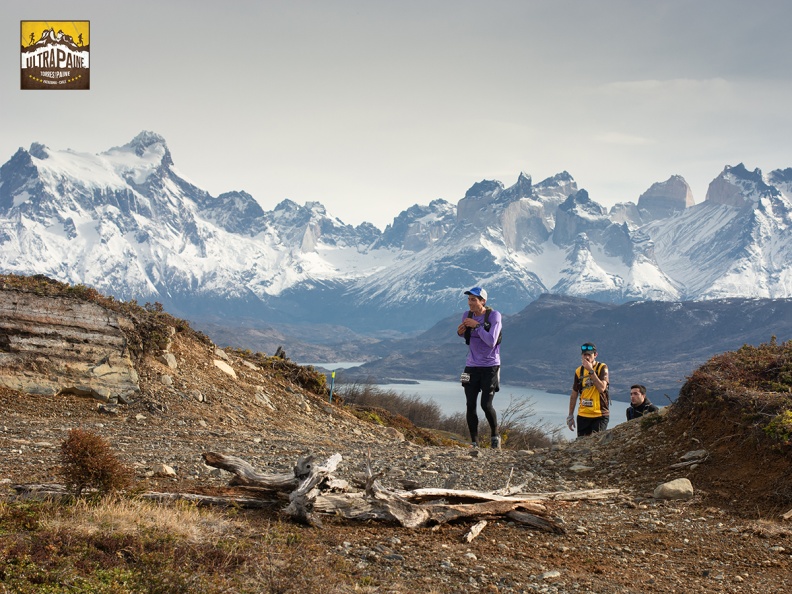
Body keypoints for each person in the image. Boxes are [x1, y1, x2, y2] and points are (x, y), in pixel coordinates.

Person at [456, 286, 502, 449]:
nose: (470, 303)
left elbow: (491, 341)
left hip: (490, 366)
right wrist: (461, 331)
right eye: (469, 299)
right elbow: (465, 337)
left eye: (474, 300)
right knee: (470, 404)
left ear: (483, 301)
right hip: (471, 366)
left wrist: (477, 326)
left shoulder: (494, 316)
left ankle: (495, 436)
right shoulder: (466, 315)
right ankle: (474, 442)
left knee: (485, 404)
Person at [566, 342, 610, 437]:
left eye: (589, 355)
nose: (586, 357)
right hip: (583, 415)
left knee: (596, 444)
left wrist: (591, 371)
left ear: (595, 355)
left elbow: (602, 388)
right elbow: (574, 394)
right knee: (582, 445)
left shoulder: (602, 367)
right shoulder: (579, 371)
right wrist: (570, 415)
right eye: (584, 354)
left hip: (600, 415)